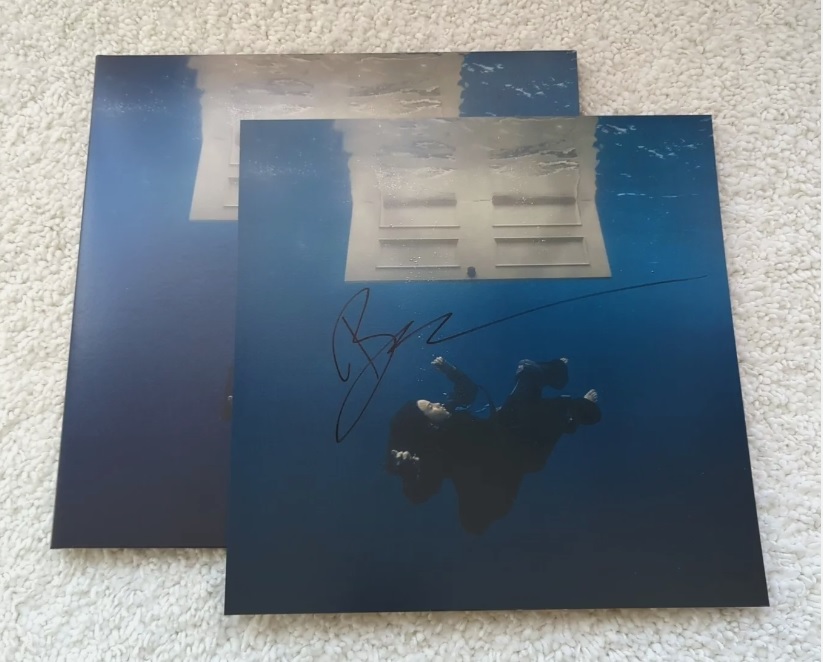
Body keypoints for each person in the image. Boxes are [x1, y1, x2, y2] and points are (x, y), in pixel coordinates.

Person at [386, 356, 600, 534]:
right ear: (429, 426)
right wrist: (409, 472)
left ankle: (558, 374)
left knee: (527, 370)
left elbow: (467, 391)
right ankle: (575, 415)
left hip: (503, 426)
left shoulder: (445, 413)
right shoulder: (439, 452)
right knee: (553, 410)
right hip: (515, 456)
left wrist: (450, 370)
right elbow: (421, 492)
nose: (438, 403)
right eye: (431, 407)